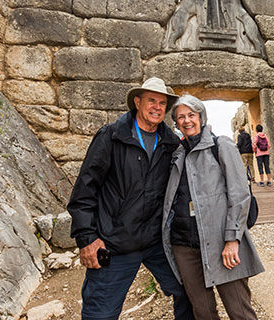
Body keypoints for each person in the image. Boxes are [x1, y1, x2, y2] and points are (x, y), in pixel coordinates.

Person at [68, 77, 194, 320]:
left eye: (162, 103)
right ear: (137, 102)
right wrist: (87, 239)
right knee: (100, 313)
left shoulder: (170, 143)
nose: (157, 107)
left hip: (156, 242)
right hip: (114, 243)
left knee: (189, 290)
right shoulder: (111, 136)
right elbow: (84, 190)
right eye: (151, 101)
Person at [162, 95, 264, 320]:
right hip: (185, 246)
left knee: (239, 310)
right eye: (181, 117)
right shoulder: (177, 155)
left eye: (191, 115)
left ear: (201, 116)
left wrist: (232, 240)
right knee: (203, 313)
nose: (187, 121)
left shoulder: (222, 145)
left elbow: (240, 194)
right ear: (176, 123)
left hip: (220, 242)